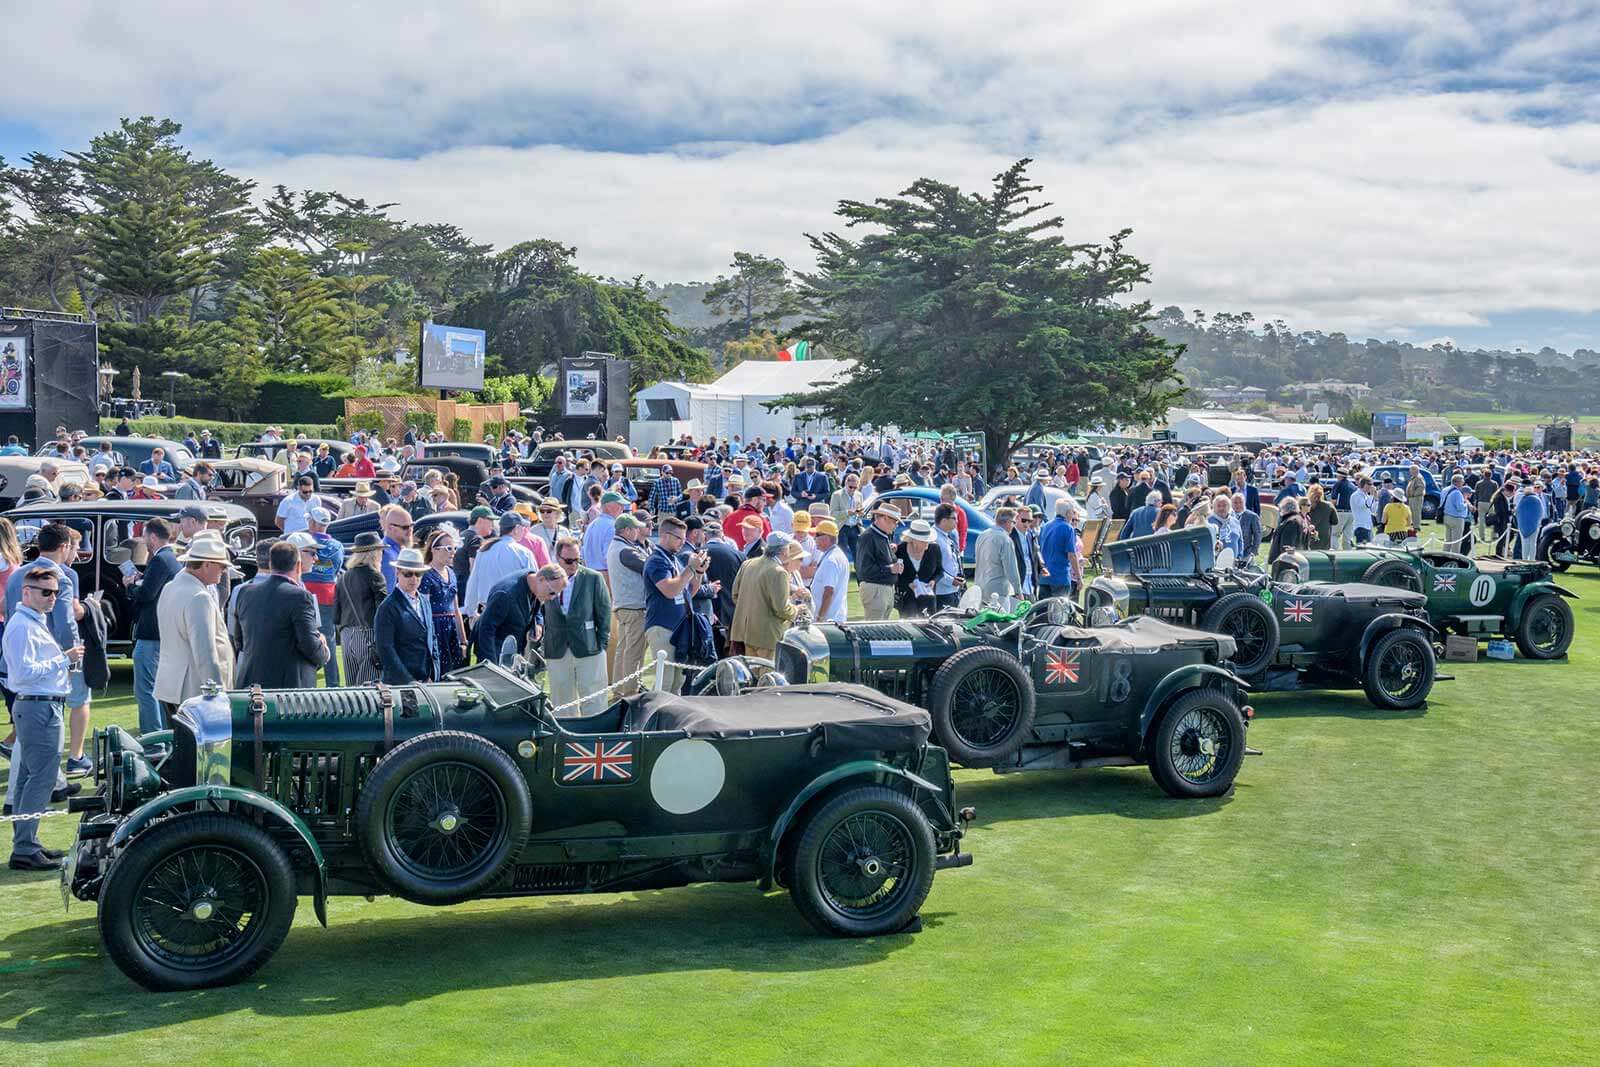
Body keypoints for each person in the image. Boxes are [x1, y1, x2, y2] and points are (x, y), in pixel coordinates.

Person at [5, 569, 84, 870]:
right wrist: (64, 658)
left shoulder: (30, 622)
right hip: (38, 707)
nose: (51, 598)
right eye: (45, 592)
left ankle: (27, 843)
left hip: (39, 706)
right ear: (26, 593)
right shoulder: (22, 626)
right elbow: (24, 673)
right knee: (41, 777)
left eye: (54, 593)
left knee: (31, 778)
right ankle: (25, 847)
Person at [152, 534, 237, 719]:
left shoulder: (170, 587)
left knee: (178, 744)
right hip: (193, 692)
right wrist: (216, 695)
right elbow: (205, 653)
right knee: (201, 746)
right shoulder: (199, 597)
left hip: (171, 686)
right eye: (222, 566)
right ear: (206, 564)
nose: (223, 571)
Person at [232, 540, 328, 689]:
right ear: (298, 566)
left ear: (271, 565)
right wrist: (324, 650)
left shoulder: (245, 592)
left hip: (251, 683)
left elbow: (240, 642)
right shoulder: (300, 596)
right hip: (287, 688)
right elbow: (309, 644)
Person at [542, 541, 610, 715]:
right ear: (558, 558)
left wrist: (601, 644)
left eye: (577, 560)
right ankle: (565, 738)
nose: (574, 565)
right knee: (562, 700)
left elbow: (604, 611)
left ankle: (596, 737)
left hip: (589, 647)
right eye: (569, 561)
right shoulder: (545, 577)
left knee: (593, 698)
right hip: (556, 648)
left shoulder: (593, 578)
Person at [126, 517, 181, 733]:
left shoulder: (160, 560)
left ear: (154, 537)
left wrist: (131, 586)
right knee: (156, 688)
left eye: (146, 536)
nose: (144, 541)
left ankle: (152, 738)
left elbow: (147, 595)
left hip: (151, 634)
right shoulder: (169, 558)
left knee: (145, 689)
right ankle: (160, 735)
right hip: (161, 633)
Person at [643, 516, 706, 693]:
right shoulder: (656, 560)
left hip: (678, 628)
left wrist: (699, 572)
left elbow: (688, 593)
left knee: (678, 681)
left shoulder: (673, 559)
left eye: (684, 538)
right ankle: (657, 718)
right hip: (662, 626)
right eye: (679, 538)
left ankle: (671, 719)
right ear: (664, 536)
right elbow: (669, 591)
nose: (682, 542)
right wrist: (690, 569)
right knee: (665, 681)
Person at [730, 535, 802, 660]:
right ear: (784, 551)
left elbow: (735, 595)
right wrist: (797, 610)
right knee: (766, 677)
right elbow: (782, 609)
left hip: (745, 633)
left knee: (751, 676)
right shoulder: (779, 572)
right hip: (767, 637)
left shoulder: (748, 563)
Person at [375, 548, 439, 683]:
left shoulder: (424, 602)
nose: (414, 579)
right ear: (397, 572)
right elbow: (386, 649)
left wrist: (434, 673)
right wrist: (408, 681)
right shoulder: (388, 607)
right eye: (408, 574)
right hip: (399, 685)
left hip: (426, 680)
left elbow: (432, 639)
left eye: (418, 574)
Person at [605, 513, 652, 695]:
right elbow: (649, 567)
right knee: (634, 652)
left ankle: (619, 690)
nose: (638, 531)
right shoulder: (627, 550)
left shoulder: (617, 547)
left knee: (623, 651)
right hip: (634, 607)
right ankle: (631, 692)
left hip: (624, 606)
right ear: (626, 530)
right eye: (635, 528)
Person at [463, 511, 538, 621]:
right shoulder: (523, 553)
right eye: (522, 527)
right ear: (516, 528)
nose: (524, 530)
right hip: (515, 613)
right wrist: (536, 619)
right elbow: (534, 586)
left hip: (488, 612)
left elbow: (473, 583)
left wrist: (470, 612)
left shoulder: (483, 551)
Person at [298, 508, 344, 686]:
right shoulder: (337, 546)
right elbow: (334, 568)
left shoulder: (304, 543)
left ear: (312, 523)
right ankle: (333, 682)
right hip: (326, 595)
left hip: (306, 592)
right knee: (328, 639)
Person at [335, 533, 387, 684]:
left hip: (346, 636)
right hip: (368, 634)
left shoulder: (343, 578)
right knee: (370, 691)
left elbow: (336, 615)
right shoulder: (375, 576)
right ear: (374, 553)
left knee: (353, 692)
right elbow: (382, 612)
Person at [419, 530, 466, 674]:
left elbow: (456, 609)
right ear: (434, 549)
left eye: (455, 548)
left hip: (451, 629)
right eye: (448, 548)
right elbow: (423, 611)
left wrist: (463, 640)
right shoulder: (425, 575)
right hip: (434, 629)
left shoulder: (451, 573)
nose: (453, 552)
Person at [855, 504, 902, 620]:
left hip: (883, 590)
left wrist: (890, 554)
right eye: (895, 521)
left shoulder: (882, 536)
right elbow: (863, 571)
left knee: (882, 632)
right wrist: (890, 568)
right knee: (873, 631)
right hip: (875, 590)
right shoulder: (868, 537)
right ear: (884, 517)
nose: (896, 525)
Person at [974, 507, 1022, 608]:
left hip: (980, 587)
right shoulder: (1005, 539)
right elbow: (1011, 568)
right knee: (1001, 622)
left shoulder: (982, 535)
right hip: (998, 590)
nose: (1014, 526)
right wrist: (1018, 591)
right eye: (1013, 522)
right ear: (1008, 522)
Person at [894, 520, 942, 617]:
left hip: (928, 598)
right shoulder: (900, 550)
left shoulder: (934, 549)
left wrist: (933, 581)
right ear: (914, 539)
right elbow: (897, 576)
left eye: (928, 540)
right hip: (907, 598)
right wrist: (908, 584)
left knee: (928, 627)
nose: (927, 544)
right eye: (924, 541)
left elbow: (940, 571)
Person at [809, 518, 850, 623]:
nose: (814, 539)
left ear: (826, 538)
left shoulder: (831, 560)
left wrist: (820, 618)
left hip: (828, 620)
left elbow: (828, 592)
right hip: (835, 617)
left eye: (816, 536)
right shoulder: (835, 555)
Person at [1038, 499, 1080, 599]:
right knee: (1059, 611)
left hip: (1044, 577)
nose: (1072, 515)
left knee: (1042, 612)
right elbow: (1072, 555)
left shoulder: (1045, 526)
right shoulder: (1068, 528)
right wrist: (1079, 577)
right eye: (1072, 512)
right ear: (1067, 513)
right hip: (1060, 577)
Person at [378, 504, 414, 591]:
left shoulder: (398, 551)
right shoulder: (387, 555)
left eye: (412, 525)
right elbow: (389, 594)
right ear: (391, 528)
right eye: (405, 527)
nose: (410, 530)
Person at [1442, 473, 1472, 553]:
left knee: (1448, 540)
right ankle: (1455, 557)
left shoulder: (1445, 490)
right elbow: (1460, 507)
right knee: (1457, 541)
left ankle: (1444, 555)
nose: (1463, 483)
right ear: (1458, 482)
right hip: (1456, 518)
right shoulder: (1457, 493)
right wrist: (1466, 503)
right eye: (1462, 481)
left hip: (1446, 516)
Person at [1233, 492, 1263, 565]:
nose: (1238, 505)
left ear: (1244, 503)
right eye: (1235, 502)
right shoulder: (1228, 516)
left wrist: (1253, 551)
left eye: (1240, 502)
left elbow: (1258, 535)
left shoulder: (1252, 516)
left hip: (1246, 552)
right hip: (1231, 553)